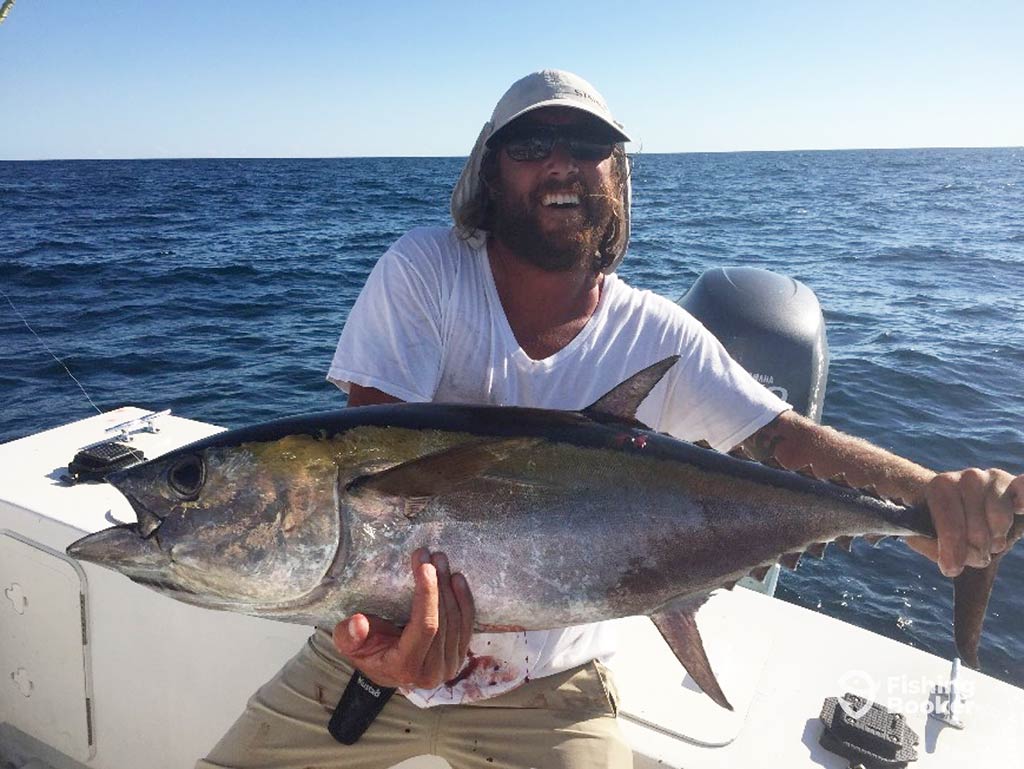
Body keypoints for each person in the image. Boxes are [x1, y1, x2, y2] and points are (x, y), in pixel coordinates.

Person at [198, 70, 1023, 769]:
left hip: (553, 686)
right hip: (369, 662)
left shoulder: (658, 333)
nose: (561, 161)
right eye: (531, 144)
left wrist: (928, 506)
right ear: (489, 174)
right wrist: (384, 630)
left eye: (588, 145)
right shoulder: (427, 272)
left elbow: (782, 440)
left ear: (617, 175)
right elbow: (375, 469)